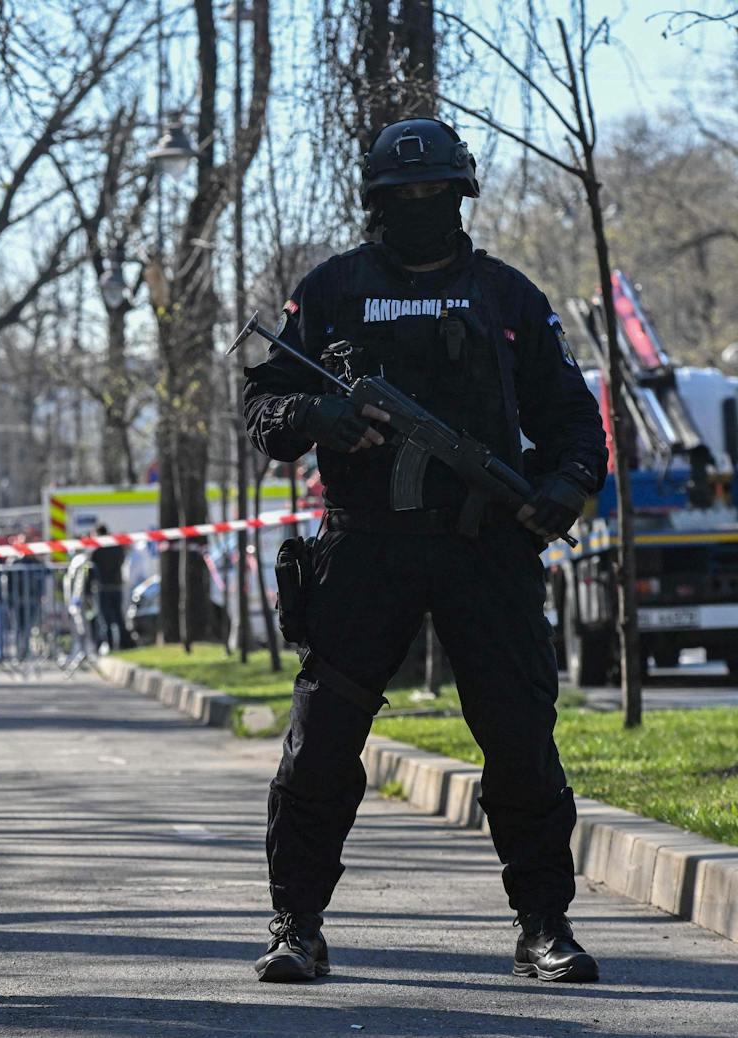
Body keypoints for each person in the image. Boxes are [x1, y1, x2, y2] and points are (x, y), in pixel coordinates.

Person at [241, 117, 606, 984]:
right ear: (375, 203)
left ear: (459, 196)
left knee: (520, 736)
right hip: (366, 548)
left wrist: (566, 484)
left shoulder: (507, 295)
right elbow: (264, 411)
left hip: (488, 549)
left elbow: (570, 414)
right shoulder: (330, 291)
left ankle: (544, 923)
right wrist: (321, 417)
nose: (417, 207)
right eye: (401, 197)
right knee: (323, 740)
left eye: (433, 193)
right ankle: (297, 924)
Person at [89, 524, 127, 651]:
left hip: (103, 587)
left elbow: (91, 571)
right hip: (117, 586)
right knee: (119, 617)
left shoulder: (97, 551)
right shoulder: (118, 548)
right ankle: (124, 643)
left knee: (106, 619)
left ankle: (110, 644)